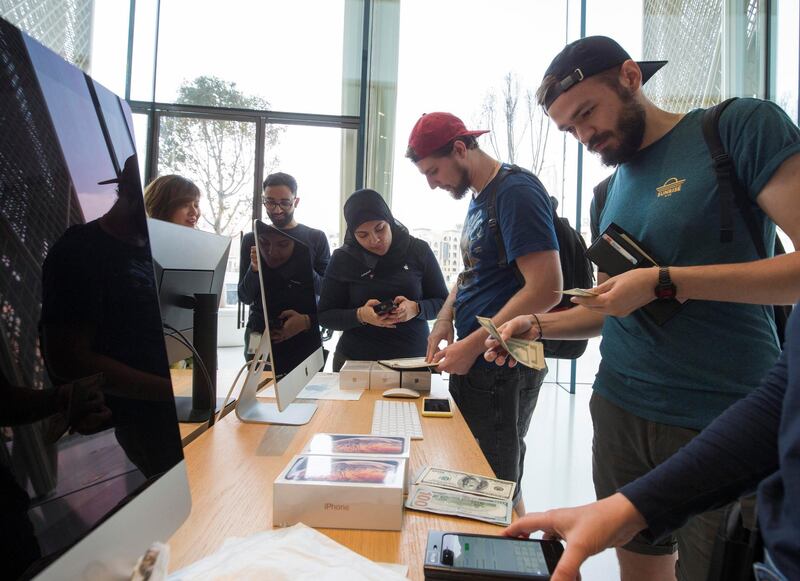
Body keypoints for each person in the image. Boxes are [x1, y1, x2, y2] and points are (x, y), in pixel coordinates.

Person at [488, 35, 800, 580]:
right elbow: (613, 306)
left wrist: (664, 281)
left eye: (587, 113)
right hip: (620, 409)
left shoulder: (737, 129)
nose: (585, 135)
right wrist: (537, 324)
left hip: (723, 416)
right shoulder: (607, 194)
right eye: (571, 129)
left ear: (631, 76)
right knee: (641, 569)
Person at [503, 302, 800, 581]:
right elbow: (779, 404)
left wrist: (664, 282)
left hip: (714, 410)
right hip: (628, 404)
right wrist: (630, 508)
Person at [405, 112, 562, 512]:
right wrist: (443, 319)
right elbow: (473, 273)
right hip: (482, 361)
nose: (433, 183)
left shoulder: (515, 192)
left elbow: (547, 288)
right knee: (495, 475)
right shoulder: (481, 198)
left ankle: (503, 564)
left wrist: (473, 346)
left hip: (501, 363)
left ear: (460, 149)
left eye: (434, 170)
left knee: (490, 484)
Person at [317, 188, 448, 371]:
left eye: (380, 228)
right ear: (353, 234)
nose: (375, 240)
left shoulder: (418, 250)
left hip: (414, 361)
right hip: (356, 362)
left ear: (389, 221)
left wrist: (416, 308)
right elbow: (325, 316)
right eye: (363, 235)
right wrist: (361, 315)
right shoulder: (343, 258)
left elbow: (444, 303)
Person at [238, 172, 331, 360]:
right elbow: (245, 296)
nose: (277, 209)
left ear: (295, 202)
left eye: (285, 203)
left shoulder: (315, 238)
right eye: (270, 202)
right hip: (260, 330)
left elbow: (328, 292)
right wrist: (255, 268)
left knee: (309, 389)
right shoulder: (252, 239)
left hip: (303, 331)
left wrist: (302, 263)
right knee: (260, 387)